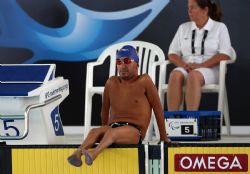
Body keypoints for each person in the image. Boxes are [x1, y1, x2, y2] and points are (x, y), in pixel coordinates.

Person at [68, 45, 170, 167]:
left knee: (112, 134)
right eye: (118, 62)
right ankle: (78, 153)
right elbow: (104, 111)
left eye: (127, 61)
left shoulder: (144, 81)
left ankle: (93, 154)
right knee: (95, 131)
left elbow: (158, 110)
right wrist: (103, 130)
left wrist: (163, 138)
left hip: (134, 131)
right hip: (113, 127)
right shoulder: (111, 82)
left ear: (137, 64)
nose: (122, 66)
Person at [167, 0, 232, 111]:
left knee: (194, 75)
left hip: (211, 69)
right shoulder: (183, 28)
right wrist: (183, 65)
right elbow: (172, 53)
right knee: (175, 75)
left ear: (205, 10)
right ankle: (172, 123)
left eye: (193, 7)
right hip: (187, 66)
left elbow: (225, 54)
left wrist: (201, 65)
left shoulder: (220, 28)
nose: (189, 11)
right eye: (188, 8)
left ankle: (190, 121)